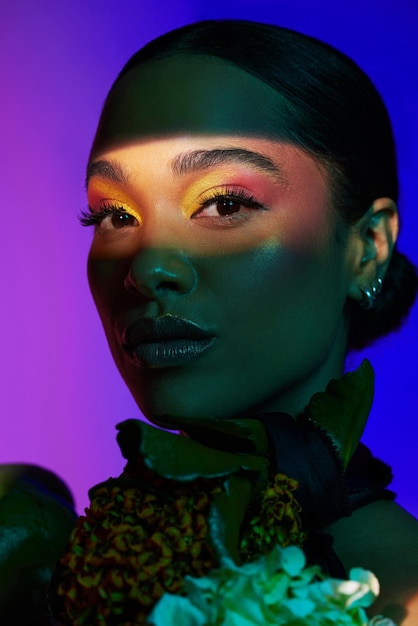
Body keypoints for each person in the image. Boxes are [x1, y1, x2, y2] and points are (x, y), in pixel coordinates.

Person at [3, 19, 418, 625]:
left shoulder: (396, 601)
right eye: (114, 214)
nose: (147, 268)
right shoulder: (43, 547)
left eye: (225, 203)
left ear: (368, 246)